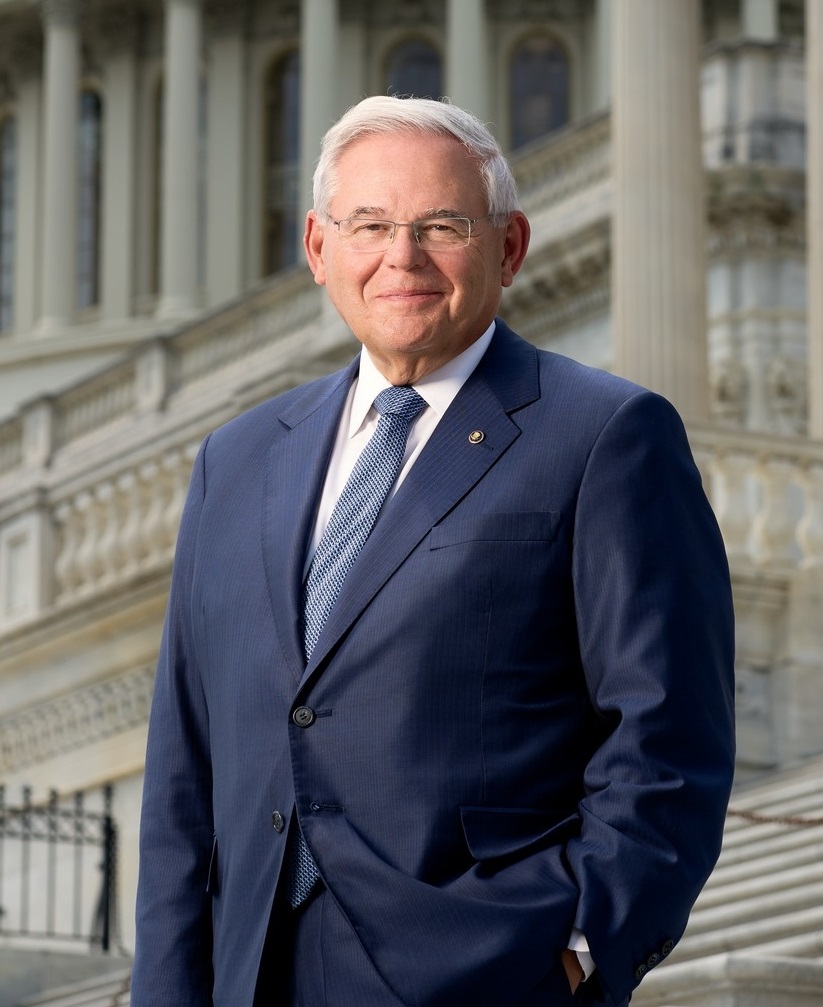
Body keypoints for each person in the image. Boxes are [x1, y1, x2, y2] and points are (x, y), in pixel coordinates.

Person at [131, 95, 735, 1007]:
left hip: (483, 971)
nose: (400, 257)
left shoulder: (606, 435)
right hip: (245, 973)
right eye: (369, 224)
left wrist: (569, 946)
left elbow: (666, 740)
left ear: (508, 246)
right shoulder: (238, 458)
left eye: (441, 225)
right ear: (318, 247)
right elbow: (186, 769)